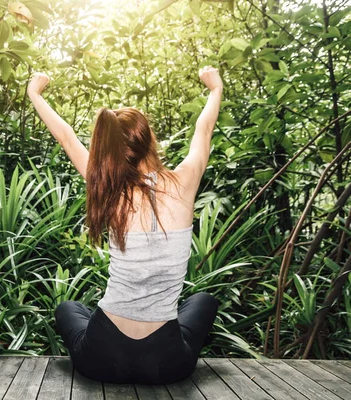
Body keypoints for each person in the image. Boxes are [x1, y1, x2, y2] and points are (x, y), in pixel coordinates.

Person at [27, 66, 222, 385]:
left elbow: (66, 136)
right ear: (149, 141)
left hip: (101, 357)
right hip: (165, 364)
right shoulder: (185, 182)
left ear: (111, 149)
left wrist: (34, 92)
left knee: (68, 308)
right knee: (203, 302)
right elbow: (205, 129)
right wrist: (214, 89)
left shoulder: (106, 186)